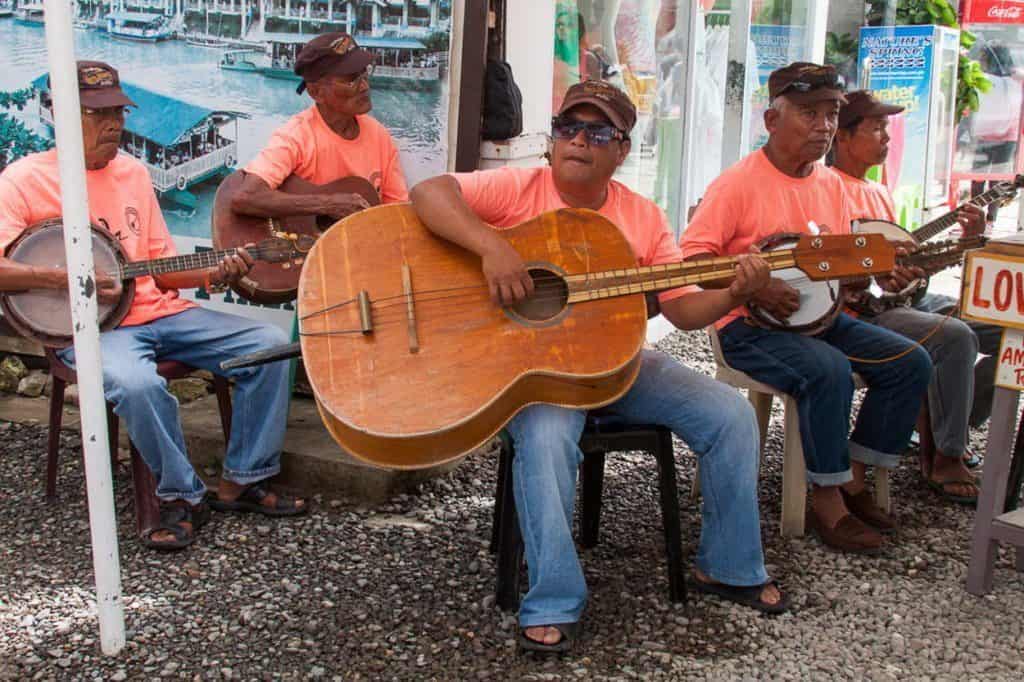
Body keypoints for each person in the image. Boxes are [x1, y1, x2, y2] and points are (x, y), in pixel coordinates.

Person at [410, 80, 789, 654]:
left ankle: (730, 566)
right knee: (545, 440)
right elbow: (429, 192)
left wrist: (734, 292)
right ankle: (554, 601)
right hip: (534, 375)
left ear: (622, 150)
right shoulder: (519, 188)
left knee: (730, 414)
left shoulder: (641, 216)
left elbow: (684, 310)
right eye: (567, 127)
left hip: (618, 365)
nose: (578, 141)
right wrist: (491, 247)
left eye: (598, 132)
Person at [0, 61, 305, 551]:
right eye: (98, 113)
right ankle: (183, 495)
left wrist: (215, 269)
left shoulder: (134, 173)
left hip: (158, 311)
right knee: (136, 382)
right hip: (91, 328)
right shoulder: (23, 180)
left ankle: (243, 479)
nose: (115, 123)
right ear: (61, 115)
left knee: (268, 346)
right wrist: (65, 279)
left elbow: (160, 267)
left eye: (118, 111)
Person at [681, 63, 933, 555]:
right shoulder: (737, 184)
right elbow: (692, 259)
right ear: (772, 120)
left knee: (911, 362)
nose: (823, 125)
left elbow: (839, 264)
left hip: (820, 321)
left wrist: (878, 275)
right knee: (828, 369)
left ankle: (852, 474)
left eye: (832, 114)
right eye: (809, 113)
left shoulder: (831, 184)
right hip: (747, 329)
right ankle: (827, 500)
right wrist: (755, 288)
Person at [831, 91, 1000, 502]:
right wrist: (882, 280)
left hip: (902, 302)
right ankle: (947, 456)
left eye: (887, 129)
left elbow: (905, 264)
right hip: (863, 312)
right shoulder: (831, 188)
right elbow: (841, 270)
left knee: (1007, 328)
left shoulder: (878, 191)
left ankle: (950, 424)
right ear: (843, 138)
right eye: (875, 128)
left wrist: (970, 240)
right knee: (955, 335)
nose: (886, 138)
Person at [231, 32, 408, 220]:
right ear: (316, 92)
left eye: (364, 72)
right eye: (351, 79)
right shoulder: (295, 136)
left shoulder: (379, 135)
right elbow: (246, 196)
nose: (364, 86)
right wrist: (327, 204)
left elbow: (397, 209)